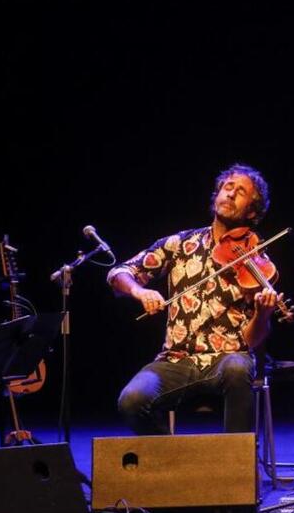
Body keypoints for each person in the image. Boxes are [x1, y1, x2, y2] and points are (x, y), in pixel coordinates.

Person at [110, 163, 284, 435]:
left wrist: (263, 314)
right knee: (131, 400)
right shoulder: (180, 244)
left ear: (252, 211)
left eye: (240, 192)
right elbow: (119, 273)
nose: (230, 194)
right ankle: (174, 464)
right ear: (217, 194)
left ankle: (235, 469)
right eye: (228, 187)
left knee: (239, 368)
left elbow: (251, 340)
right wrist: (140, 291)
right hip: (175, 360)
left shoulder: (256, 264)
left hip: (227, 361)